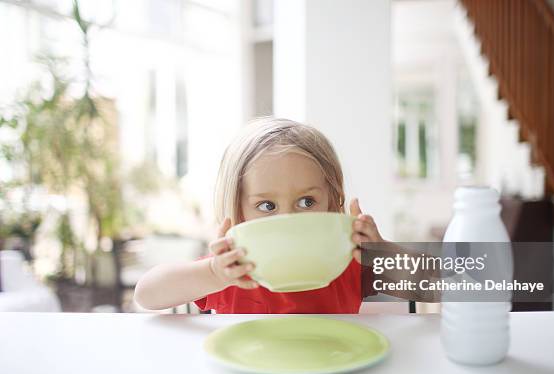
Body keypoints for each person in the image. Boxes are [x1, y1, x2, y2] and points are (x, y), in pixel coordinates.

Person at [134, 117, 386, 313]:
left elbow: (427, 281)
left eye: (306, 202)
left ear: (332, 202)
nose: (287, 221)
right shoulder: (232, 268)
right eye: (267, 206)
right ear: (238, 209)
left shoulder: (349, 262)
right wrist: (212, 273)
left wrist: (384, 255)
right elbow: (146, 294)